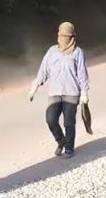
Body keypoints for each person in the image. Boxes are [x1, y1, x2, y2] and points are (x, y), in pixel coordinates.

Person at [28, 22, 91, 159]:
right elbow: (43, 71)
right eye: (61, 35)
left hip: (71, 93)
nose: (64, 39)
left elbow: (82, 75)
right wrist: (35, 86)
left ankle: (69, 148)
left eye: (66, 36)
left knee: (69, 122)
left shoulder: (78, 52)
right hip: (54, 92)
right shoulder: (51, 51)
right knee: (50, 119)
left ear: (72, 37)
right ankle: (61, 141)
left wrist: (84, 93)